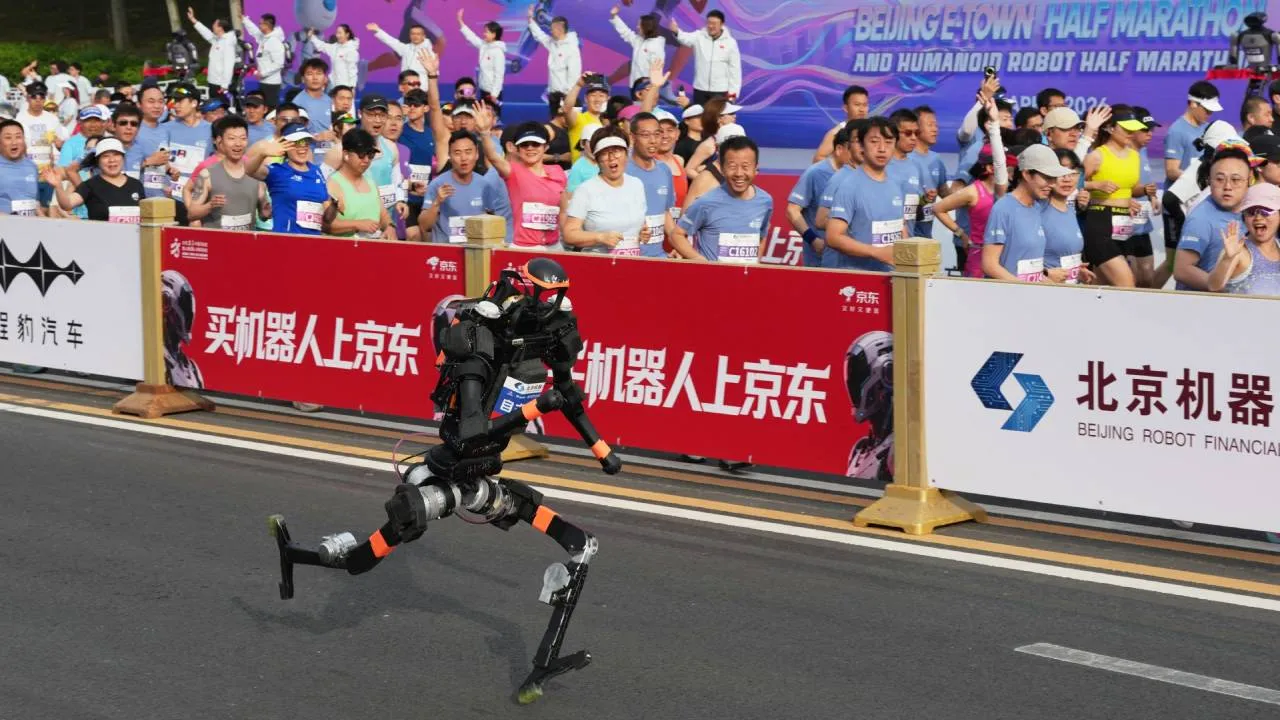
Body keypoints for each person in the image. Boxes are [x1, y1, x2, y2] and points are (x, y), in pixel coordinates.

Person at [267, 257, 616, 706]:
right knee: (364, 559)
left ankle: (543, 663)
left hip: (484, 475)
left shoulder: (542, 336)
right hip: (447, 474)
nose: (546, 306)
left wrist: (601, 448)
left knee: (582, 544)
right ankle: (297, 553)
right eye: (540, 296)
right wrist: (533, 410)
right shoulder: (477, 348)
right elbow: (471, 433)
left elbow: (567, 393)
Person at [670, 135, 772, 263]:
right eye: (732, 166)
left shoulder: (765, 201)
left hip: (745, 281)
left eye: (745, 166)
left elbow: (762, 237)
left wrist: (754, 265)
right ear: (722, 169)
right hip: (713, 281)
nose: (739, 173)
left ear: (756, 168)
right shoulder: (706, 202)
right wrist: (700, 261)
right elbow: (676, 235)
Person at [476, 107, 568, 248]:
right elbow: (493, 157)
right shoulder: (513, 172)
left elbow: (562, 209)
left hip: (554, 245)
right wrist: (484, 133)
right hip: (524, 246)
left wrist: (565, 234)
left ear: (546, 147)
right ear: (517, 149)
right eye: (525, 145)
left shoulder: (557, 171)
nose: (530, 148)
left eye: (536, 144)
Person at [824, 117, 908, 271]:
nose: (882, 148)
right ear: (862, 145)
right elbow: (833, 237)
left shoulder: (896, 183)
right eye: (874, 141)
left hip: (893, 278)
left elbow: (900, 226)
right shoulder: (849, 186)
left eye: (889, 142)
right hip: (860, 281)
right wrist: (876, 252)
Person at [982, 144, 1072, 282]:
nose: (1053, 184)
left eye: (1054, 178)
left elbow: (1026, 264)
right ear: (1027, 174)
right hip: (1007, 298)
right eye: (1047, 178)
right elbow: (989, 265)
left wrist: (1046, 277)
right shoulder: (1003, 209)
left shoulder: (1036, 207)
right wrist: (1023, 288)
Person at [1174, 141, 1256, 291]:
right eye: (1219, 179)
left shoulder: (1252, 209)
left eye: (1236, 180)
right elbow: (1182, 270)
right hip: (1205, 307)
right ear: (1209, 181)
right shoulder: (1200, 219)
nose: (1227, 187)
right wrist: (1225, 290)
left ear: (1249, 180)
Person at [1081, 104, 1145, 287]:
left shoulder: (1135, 156)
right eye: (1126, 129)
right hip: (1101, 222)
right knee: (1126, 284)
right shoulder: (1097, 156)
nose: (1131, 133)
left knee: (1101, 286)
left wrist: (1130, 200)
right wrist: (1095, 184)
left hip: (1124, 225)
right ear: (1110, 128)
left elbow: (1128, 188)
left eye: (1133, 129)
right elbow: (1070, 184)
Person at [562, 126, 649, 255]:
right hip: (599, 266)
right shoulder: (586, 190)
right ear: (597, 160)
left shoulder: (637, 184)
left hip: (632, 264)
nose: (612, 157)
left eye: (617, 151)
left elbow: (638, 223)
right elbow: (569, 234)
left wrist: (642, 233)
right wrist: (600, 237)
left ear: (626, 154)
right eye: (604, 153)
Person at [419, 130, 510, 244]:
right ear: (450, 156)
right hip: (446, 253)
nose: (463, 158)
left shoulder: (485, 185)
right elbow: (424, 226)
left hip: (475, 252)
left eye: (468, 152)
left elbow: (491, 221)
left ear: (476, 154)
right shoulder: (438, 184)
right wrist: (437, 202)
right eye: (457, 153)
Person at [184, 116, 268, 231]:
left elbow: (264, 215)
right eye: (232, 138)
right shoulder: (207, 174)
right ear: (219, 141)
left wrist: (267, 211)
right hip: (216, 243)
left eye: (243, 138)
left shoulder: (255, 174)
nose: (238, 143)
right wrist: (210, 206)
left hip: (246, 244)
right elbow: (192, 214)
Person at [245, 123, 330, 235]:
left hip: (313, 243)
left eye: (306, 142)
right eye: (296, 143)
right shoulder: (277, 171)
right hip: (285, 243)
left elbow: (326, 217)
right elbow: (248, 170)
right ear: (284, 146)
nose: (302, 147)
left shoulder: (316, 171)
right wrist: (262, 154)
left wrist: (334, 205)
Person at [788, 125, 851, 268]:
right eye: (852, 150)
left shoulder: (856, 175)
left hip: (846, 257)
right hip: (819, 259)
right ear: (839, 149)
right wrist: (813, 240)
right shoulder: (815, 172)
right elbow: (792, 210)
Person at [44, 138, 145, 222]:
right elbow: (67, 204)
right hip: (100, 242)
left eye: (116, 154)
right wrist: (58, 186)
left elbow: (146, 215)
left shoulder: (136, 184)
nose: (112, 160)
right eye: (105, 156)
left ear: (123, 158)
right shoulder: (90, 185)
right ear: (98, 161)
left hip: (134, 242)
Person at [1207, 182, 1280, 294]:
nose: (1258, 217)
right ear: (1244, 218)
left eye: (1266, 211)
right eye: (1250, 212)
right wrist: (1227, 259)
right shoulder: (1239, 251)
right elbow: (1213, 286)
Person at [322, 128, 393, 239]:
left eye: (370, 155)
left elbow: (383, 214)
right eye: (361, 154)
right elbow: (327, 225)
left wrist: (390, 226)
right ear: (346, 154)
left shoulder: (371, 183)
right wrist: (357, 224)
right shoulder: (333, 184)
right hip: (344, 251)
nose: (366, 160)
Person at [625, 112, 676, 258]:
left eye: (657, 134)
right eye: (646, 135)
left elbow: (665, 213)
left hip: (659, 256)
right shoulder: (621, 170)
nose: (653, 140)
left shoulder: (664, 170)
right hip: (629, 256)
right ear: (633, 138)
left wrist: (677, 243)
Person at [1042, 149, 1094, 284]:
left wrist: (1077, 270)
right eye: (1061, 172)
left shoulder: (1071, 210)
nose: (1067, 178)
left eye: (1073, 172)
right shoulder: (1037, 211)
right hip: (1045, 292)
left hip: (1070, 291)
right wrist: (1045, 274)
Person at [670, 10, 741, 106]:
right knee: (700, 118)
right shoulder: (699, 36)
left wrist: (732, 95)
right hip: (700, 89)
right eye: (709, 23)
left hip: (720, 91)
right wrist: (676, 31)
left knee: (716, 119)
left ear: (722, 24)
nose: (711, 26)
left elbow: (735, 70)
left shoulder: (730, 43)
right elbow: (685, 38)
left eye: (714, 23)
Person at [1127, 107, 1162, 288]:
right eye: (1145, 130)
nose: (1150, 135)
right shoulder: (1122, 154)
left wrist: (1153, 198)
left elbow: (1146, 182)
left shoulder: (1143, 151)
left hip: (1142, 226)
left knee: (1148, 280)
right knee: (1129, 283)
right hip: (1124, 226)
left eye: (1151, 130)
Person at [527, 8, 581, 97]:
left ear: (560, 30)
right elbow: (540, 36)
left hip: (566, 97)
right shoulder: (553, 43)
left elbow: (574, 75)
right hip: (553, 95)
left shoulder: (572, 48)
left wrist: (568, 98)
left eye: (552, 29)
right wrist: (530, 19)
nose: (550, 31)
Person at [610, 7, 665, 92]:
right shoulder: (639, 40)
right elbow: (627, 33)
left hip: (647, 88)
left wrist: (649, 87)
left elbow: (657, 70)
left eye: (639, 25)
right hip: (634, 85)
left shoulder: (656, 46)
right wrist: (614, 16)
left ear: (647, 27)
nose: (637, 27)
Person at [457, 9, 506, 101]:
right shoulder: (484, 45)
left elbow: (499, 75)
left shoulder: (498, 52)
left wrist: (494, 94)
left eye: (486, 32)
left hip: (492, 93)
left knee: (492, 115)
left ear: (494, 34)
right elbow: (472, 37)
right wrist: (460, 21)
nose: (484, 34)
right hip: (483, 89)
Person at [186, 7, 237, 96]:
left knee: (220, 107)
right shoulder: (218, 39)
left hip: (220, 84)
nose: (212, 26)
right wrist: (193, 20)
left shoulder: (228, 42)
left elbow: (229, 64)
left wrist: (225, 84)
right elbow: (207, 34)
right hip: (213, 81)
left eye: (214, 24)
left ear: (220, 27)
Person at [813, 85, 870, 163]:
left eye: (865, 105)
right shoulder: (836, 132)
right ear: (846, 108)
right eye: (857, 105)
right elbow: (818, 158)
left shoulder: (872, 130)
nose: (862, 109)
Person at [242, 13, 287, 107]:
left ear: (267, 25)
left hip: (271, 83)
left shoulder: (274, 41)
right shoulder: (265, 38)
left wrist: (263, 73)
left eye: (260, 23)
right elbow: (254, 32)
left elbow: (279, 64)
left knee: (270, 108)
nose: (259, 25)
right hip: (263, 81)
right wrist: (245, 20)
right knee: (263, 107)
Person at [0, 119, 41, 216]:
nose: (14, 142)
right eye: (8, 138)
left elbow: (36, 202)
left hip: (30, 225)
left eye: (18, 137)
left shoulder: (32, 166)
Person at [368, 21, 435, 76]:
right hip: (406, 87)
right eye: (413, 34)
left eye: (418, 34)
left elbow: (434, 75)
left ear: (424, 36)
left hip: (422, 88)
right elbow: (391, 41)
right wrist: (377, 30)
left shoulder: (429, 53)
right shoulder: (405, 48)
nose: (415, 36)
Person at [307, 25, 361, 90]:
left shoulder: (351, 50)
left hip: (344, 86)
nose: (337, 35)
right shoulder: (335, 47)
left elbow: (352, 71)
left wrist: (352, 87)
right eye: (337, 33)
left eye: (340, 33)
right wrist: (312, 37)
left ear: (347, 34)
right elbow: (322, 46)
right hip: (332, 83)